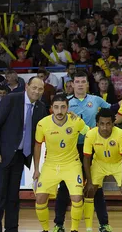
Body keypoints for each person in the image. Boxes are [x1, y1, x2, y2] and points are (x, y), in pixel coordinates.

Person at [53, 72, 113, 232]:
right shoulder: (66, 102)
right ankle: (58, 224)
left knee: (96, 186)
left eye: (83, 82)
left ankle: (104, 224)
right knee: (65, 187)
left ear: (87, 84)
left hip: (93, 149)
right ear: (72, 84)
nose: (80, 84)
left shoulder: (96, 100)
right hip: (71, 150)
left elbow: (113, 112)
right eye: (77, 81)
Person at [33, 94, 89, 232]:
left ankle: (74, 229)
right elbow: (37, 145)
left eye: (63, 107)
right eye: (56, 107)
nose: (59, 111)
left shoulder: (76, 121)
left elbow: (91, 134)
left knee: (77, 197)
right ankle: (46, 229)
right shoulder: (42, 124)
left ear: (68, 108)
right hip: (50, 165)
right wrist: (36, 169)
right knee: (40, 198)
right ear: (51, 108)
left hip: (72, 164)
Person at [0, 77, 46, 232]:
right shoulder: (11, 99)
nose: (36, 91)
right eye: (34, 88)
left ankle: (12, 228)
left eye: (40, 89)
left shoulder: (41, 107)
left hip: (21, 156)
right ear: (27, 86)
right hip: (3, 155)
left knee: (13, 196)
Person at [82, 109, 122, 232]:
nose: (105, 127)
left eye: (108, 124)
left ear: (113, 124)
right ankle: (89, 228)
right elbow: (86, 158)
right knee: (89, 192)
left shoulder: (120, 134)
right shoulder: (90, 134)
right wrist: (89, 182)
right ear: (97, 124)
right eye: (102, 124)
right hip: (99, 163)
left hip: (118, 163)